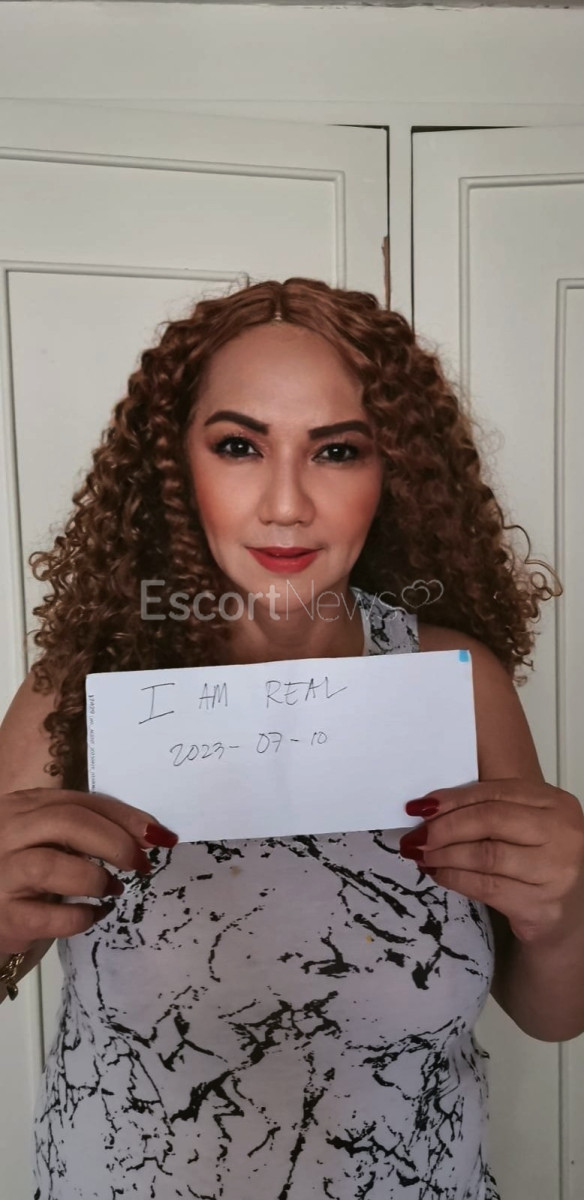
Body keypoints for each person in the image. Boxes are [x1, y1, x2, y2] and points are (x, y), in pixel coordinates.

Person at [1, 277, 583, 1200]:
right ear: (173, 466)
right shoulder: (75, 695)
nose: (285, 505)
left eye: (337, 451)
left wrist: (564, 911)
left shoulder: (461, 683)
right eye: (238, 446)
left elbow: (551, 1016)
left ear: (394, 473)